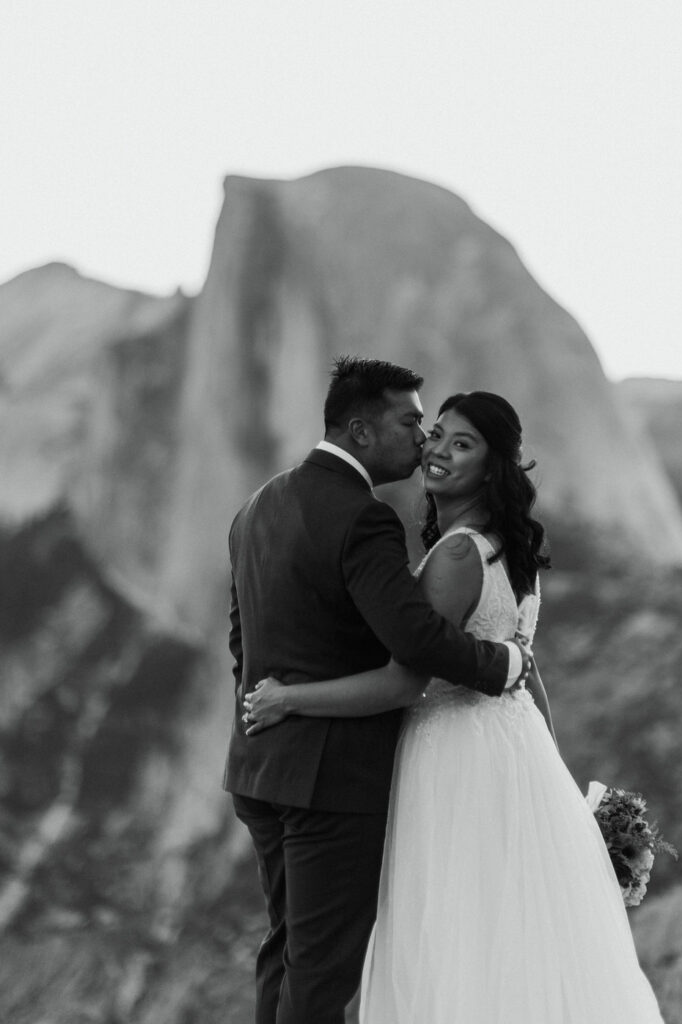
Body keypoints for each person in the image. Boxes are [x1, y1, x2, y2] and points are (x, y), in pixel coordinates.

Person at [244, 391, 666, 1023]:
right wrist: (555, 789)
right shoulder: (512, 554)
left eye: (461, 444)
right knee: (505, 935)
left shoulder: (459, 555)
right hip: (512, 754)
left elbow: (401, 684)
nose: (437, 449)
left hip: (451, 764)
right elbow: (528, 677)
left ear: (492, 469)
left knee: (447, 936)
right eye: (436, 433)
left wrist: (289, 698)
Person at [225, 360, 529, 1024]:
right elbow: (416, 643)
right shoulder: (363, 519)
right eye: (413, 422)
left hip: (259, 770)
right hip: (330, 782)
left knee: (285, 953)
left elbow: (242, 643)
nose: (423, 440)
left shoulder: (257, 506)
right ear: (361, 431)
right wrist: (501, 665)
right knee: (323, 972)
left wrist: (267, 706)